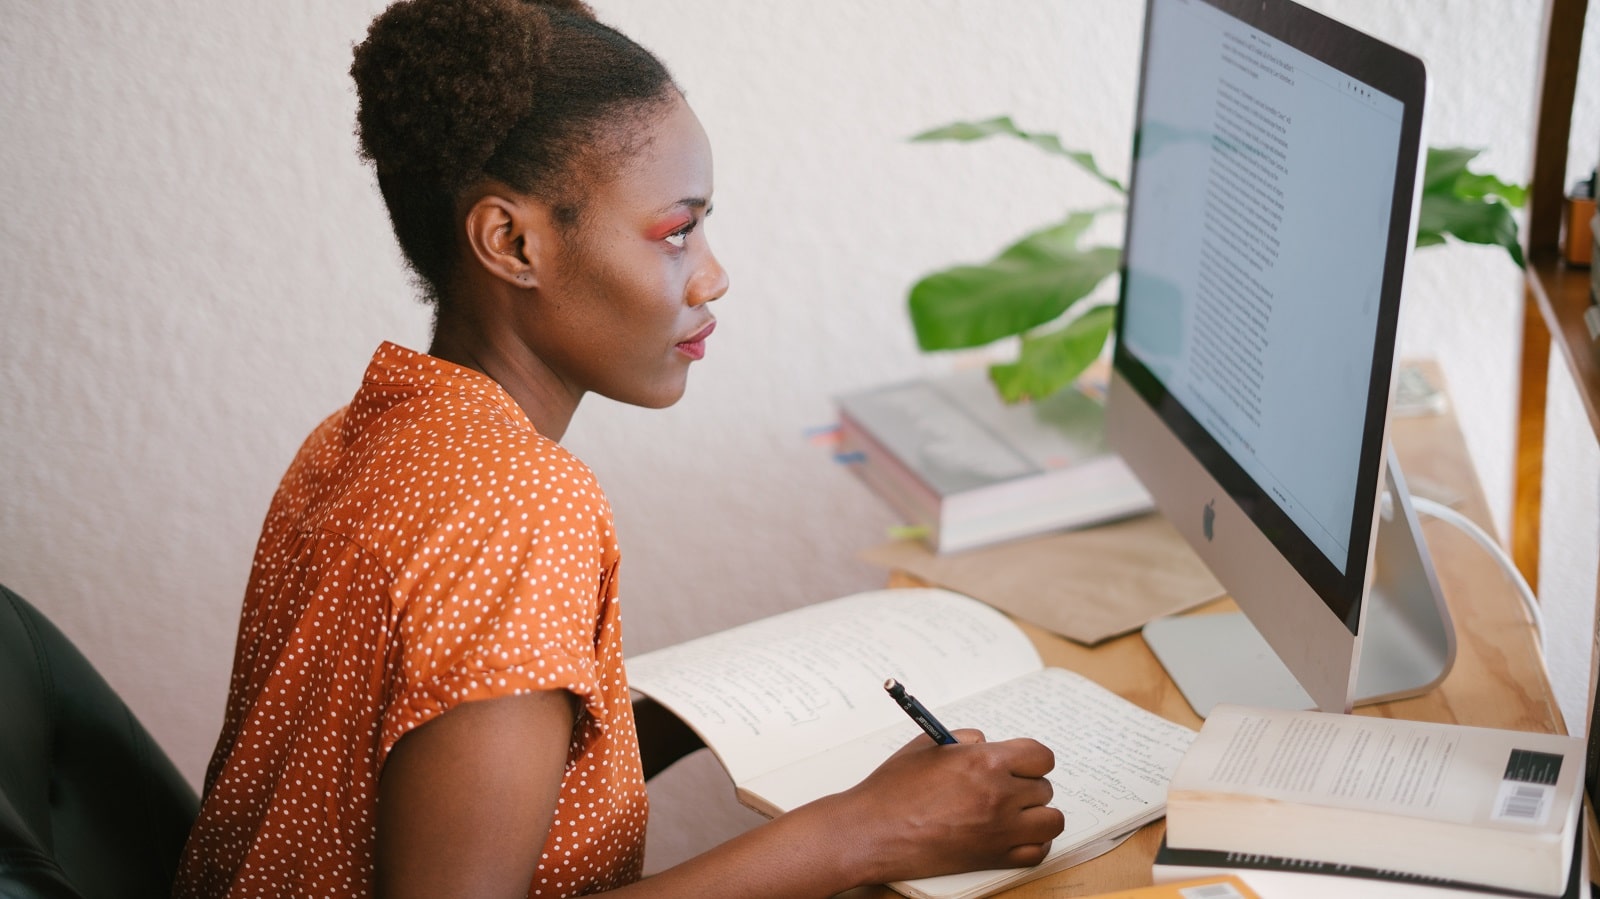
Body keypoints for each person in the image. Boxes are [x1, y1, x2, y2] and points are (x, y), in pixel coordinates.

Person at [172, 1, 1065, 897]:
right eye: (677, 230)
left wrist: (659, 726)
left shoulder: (361, 435)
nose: (714, 274)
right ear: (512, 242)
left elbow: (395, 775)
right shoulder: (520, 507)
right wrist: (863, 834)